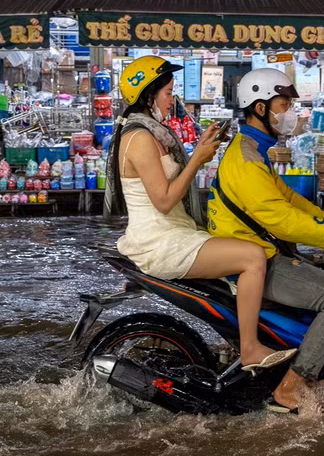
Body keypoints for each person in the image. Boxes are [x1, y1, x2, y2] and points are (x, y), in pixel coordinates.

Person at [207, 68, 324, 414]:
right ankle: (292, 386)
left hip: (262, 250)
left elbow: (289, 201)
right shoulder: (247, 158)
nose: (290, 112)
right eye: (284, 103)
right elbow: (283, 220)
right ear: (261, 108)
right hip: (257, 259)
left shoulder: (254, 150)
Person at [103, 56, 295, 372]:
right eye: (167, 92)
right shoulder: (138, 139)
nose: (172, 98)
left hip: (178, 232)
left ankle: (232, 343)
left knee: (244, 245)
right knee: (252, 257)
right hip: (159, 241)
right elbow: (163, 201)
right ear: (148, 94)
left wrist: (200, 152)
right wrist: (197, 161)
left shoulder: (154, 134)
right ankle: (249, 350)